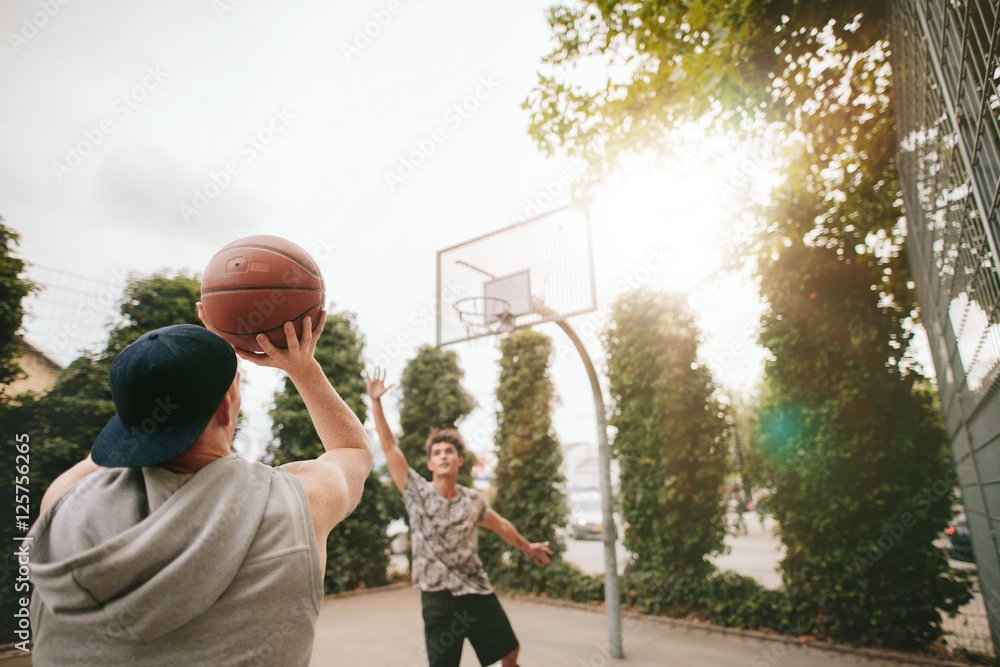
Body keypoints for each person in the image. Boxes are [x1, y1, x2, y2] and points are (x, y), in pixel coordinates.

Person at [27, 310, 373, 666]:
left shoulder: (62, 504)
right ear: (226, 407)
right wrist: (302, 367)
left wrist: (178, 378)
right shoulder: (299, 503)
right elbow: (352, 452)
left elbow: (113, 449)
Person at [365, 368, 553, 667]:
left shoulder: (472, 499)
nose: (443, 455)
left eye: (449, 451)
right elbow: (389, 446)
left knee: (511, 651)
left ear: (459, 460)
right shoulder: (416, 492)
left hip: (476, 590)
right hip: (437, 598)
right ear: (429, 463)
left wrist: (526, 546)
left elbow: (500, 524)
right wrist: (376, 402)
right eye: (437, 452)